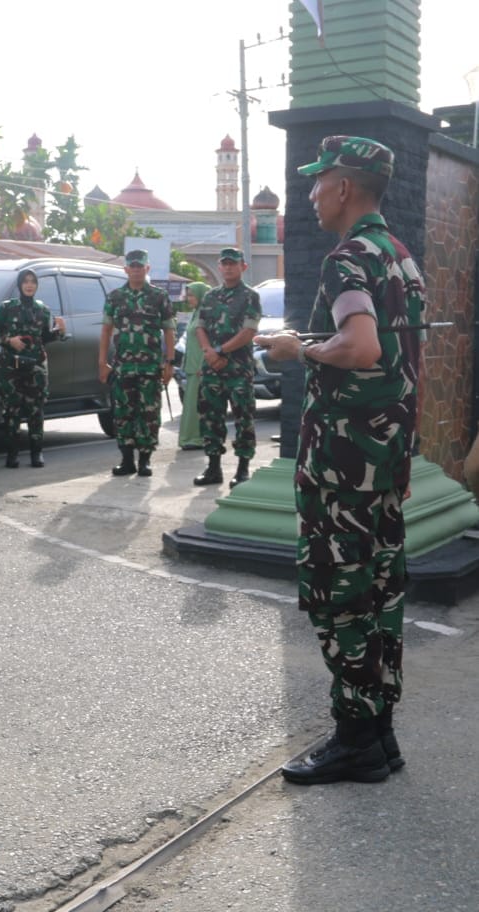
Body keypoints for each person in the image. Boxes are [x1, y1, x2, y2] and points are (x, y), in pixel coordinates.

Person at [254, 135, 425, 785]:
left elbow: (360, 347)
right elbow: (390, 353)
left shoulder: (347, 257)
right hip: (384, 461)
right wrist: (314, 339)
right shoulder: (399, 258)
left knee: (340, 594)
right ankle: (377, 734)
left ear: (345, 188)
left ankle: (354, 741)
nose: (310, 193)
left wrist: (300, 351)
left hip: (343, 466)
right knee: (379, 592)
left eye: (318, 181)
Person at [97, 249, 176, 478]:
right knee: (123, 413)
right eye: (132, 266)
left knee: (149, 414)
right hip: (123, 366)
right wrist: (102, 362)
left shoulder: (159, 296)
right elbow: (105, 331)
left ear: (147, 269)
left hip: (150, 367)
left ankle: (145, 460)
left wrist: (169, 362)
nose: (136, 270)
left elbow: (169, 330)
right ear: (126, 269)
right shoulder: (115, 297)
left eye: (140, 266)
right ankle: (126, 460)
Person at [191, 248, 261, 487]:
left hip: (238, 371)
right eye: (225, 264)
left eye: (233, 263)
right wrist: (209, 353)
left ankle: (242, 470)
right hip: (212, 369)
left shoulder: (250, 296)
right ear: (219, 267)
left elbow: (248, 332)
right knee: (211, 418)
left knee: (243, 419)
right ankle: (213, 469)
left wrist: (221, 351)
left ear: (243, 267)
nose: (228, 267)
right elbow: (199, 327)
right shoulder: (210, 296)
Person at [0, 268, 66, 468]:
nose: (29, 285)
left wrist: (59, 332)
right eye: (25, 281)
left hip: (36, 367)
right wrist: (9, 340)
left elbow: (46, 337)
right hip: (12, 366)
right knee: (12, 410)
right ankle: (12, 454)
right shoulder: (7, 308)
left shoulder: (43, 309)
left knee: (35, 410)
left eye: (33, 281)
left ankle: (36, 453)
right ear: (20, 285)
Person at [177, 282, 211, 450]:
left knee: (196, 404)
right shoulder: (195, 314)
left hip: (200, 366)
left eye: (192, 295)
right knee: (190, 404)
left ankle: (196, 438)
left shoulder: (207, 315)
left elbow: (209, 342)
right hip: (191, 366)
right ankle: (190, 437)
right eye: (188, 295)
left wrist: (203, 364)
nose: (189, 298)